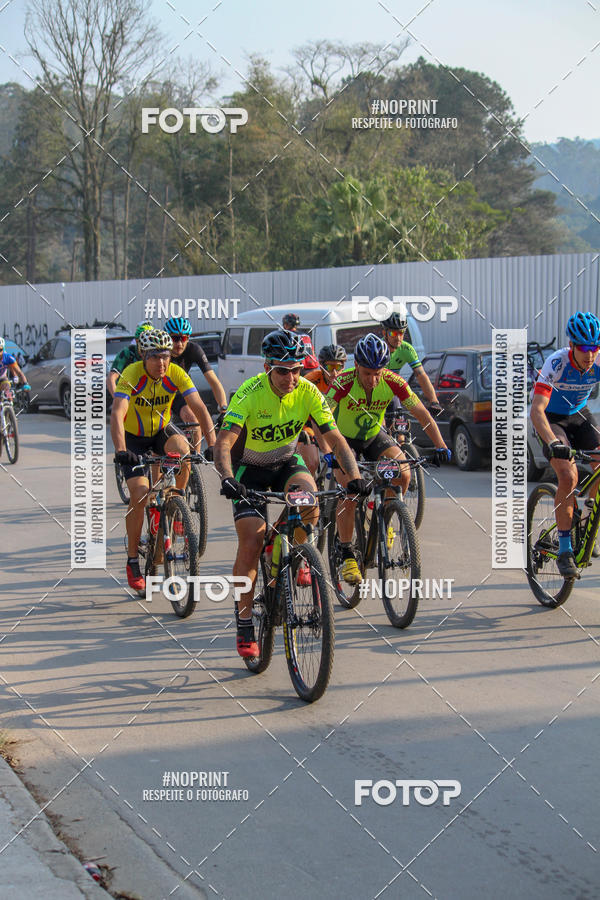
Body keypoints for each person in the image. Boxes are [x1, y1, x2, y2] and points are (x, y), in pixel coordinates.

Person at [214, 329, 367, 658]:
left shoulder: (309, 391)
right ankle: (244, 620)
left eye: (297, 369)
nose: (291, 377)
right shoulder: (249, 393)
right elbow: (224, 443)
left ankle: (294, 549)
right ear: (268, 367)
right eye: (283, 370)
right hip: (249, 471)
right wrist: (227, 477)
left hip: (285, 463)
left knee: (309, 501)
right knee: (252, 541)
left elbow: (336, 438)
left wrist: (353, 477)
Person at [327, 333, 450, 584]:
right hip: (345, 439)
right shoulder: (343, 382)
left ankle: (386, 516)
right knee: (350, 490)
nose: (373, 379)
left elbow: (422, 414)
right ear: (357, 366)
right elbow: (323, 417)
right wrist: (329, 451)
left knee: (404, 472)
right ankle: (347, 552)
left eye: (378, 373)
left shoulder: (393, 381)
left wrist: (440, 445)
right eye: (367, 373)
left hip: (374, 437)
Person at [110, 329, 215, 592]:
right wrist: (122, 449)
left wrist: (213, 445)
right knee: (141, 494)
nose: (162, 363)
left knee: (183, 447)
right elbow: (117, 413)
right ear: (144, 356)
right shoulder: (132, 374)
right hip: (133, 439)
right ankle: (133, 559)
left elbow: (200, 408)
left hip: (159, 432)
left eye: (166, 356)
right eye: (156, 357)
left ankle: (173, 499)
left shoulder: (175, 374)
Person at [530, 311, 600, 578]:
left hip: (580, 415)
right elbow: (537, 410)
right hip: (551, 419)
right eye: (584, 347)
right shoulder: (556, 363)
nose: (590, 354)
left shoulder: (598, 360)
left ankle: (587, 524)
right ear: (571, 345)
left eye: (594, 347)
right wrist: (551, 442)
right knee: (568, 477)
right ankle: (565, 549)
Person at [163, 316, 227, 448]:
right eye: (175, 338)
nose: (179, 343)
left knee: (194, 421)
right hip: (160, 392)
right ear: (167, 338)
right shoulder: (161, 351)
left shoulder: (193, 349)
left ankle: (194, 462)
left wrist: (223, 409)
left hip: (180, 391)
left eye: (184, 338)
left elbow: (214, 382)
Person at [299, 344, 347, 477]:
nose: (334, 373)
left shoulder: (347, 381)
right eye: (329, 367)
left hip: (333, 424)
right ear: (321, 366)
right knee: (312, 463)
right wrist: (326, 451)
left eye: (338, 367)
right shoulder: (310, 380)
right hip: (308, 424)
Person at [380, 311, 441, 416]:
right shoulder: (377, 348)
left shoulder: (407, 349)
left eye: (401, 333)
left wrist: (434, 401)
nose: (398, 338)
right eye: (393, 333)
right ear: (384, 333)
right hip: (375, 391)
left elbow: (421, 375)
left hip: (392, 392)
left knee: (404, 422)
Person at [107, 321, 154, 397]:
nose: (146, 347)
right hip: (126, 391)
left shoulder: (156, 355)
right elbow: (111, 378)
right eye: (143, 343)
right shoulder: (127, 353)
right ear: (136, 341)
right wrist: (116, 398)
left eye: (150, 343)